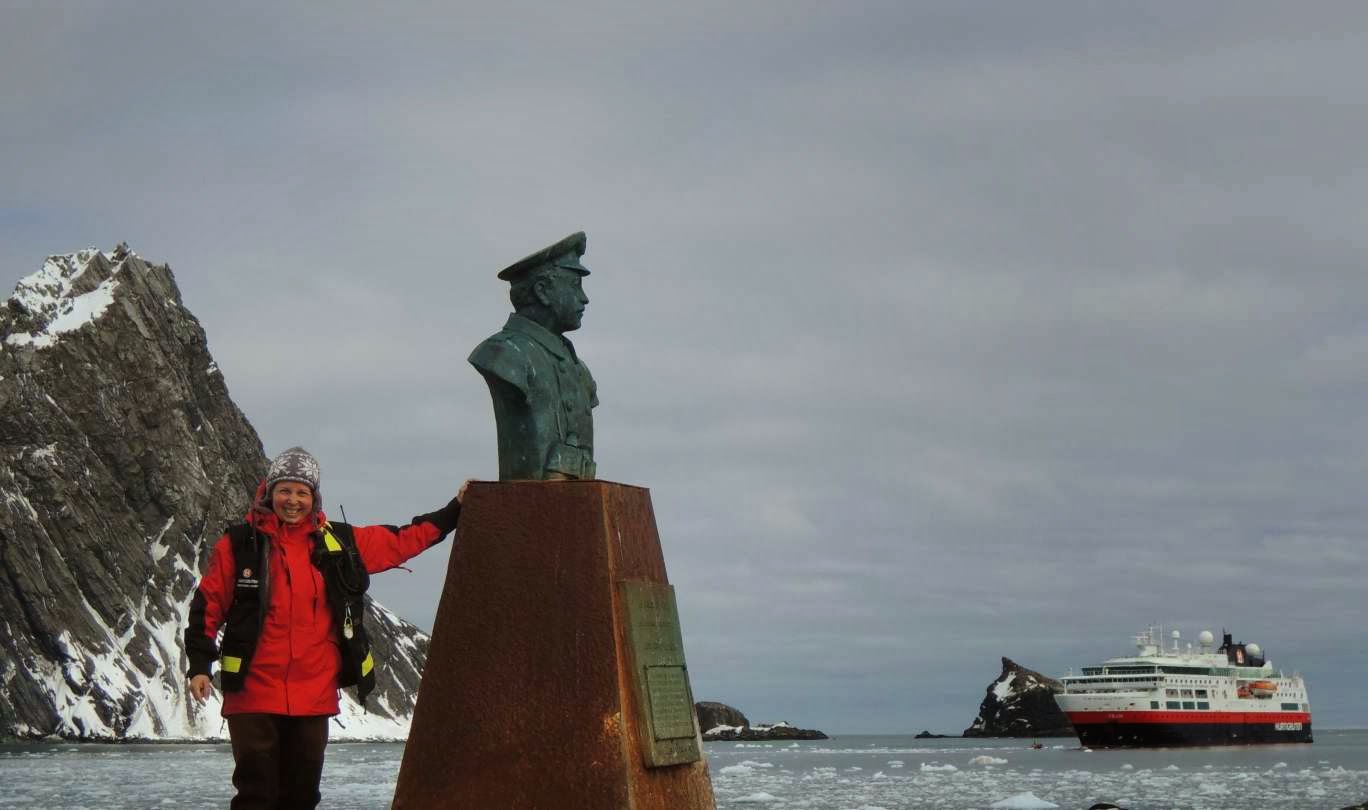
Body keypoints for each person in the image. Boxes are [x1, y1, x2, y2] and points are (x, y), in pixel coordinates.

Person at [184, 446, 465, 809]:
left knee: (301, 796)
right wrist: (199, 666)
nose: (293, 500)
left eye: (302, 492)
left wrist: (455, 510)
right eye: (285, 490)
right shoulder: (239, 546)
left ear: (314, 498)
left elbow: (400, 542)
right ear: (269, 493)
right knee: (256, 793)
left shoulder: (340, 543)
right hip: (253, 692)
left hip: (313, 695)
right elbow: (207, 606)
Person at [469, 231, 598, 480]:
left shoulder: (579, 370)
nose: (584, 298)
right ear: (542, 291)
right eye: (575, 285)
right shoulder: (502, 353)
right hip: (530, 510)